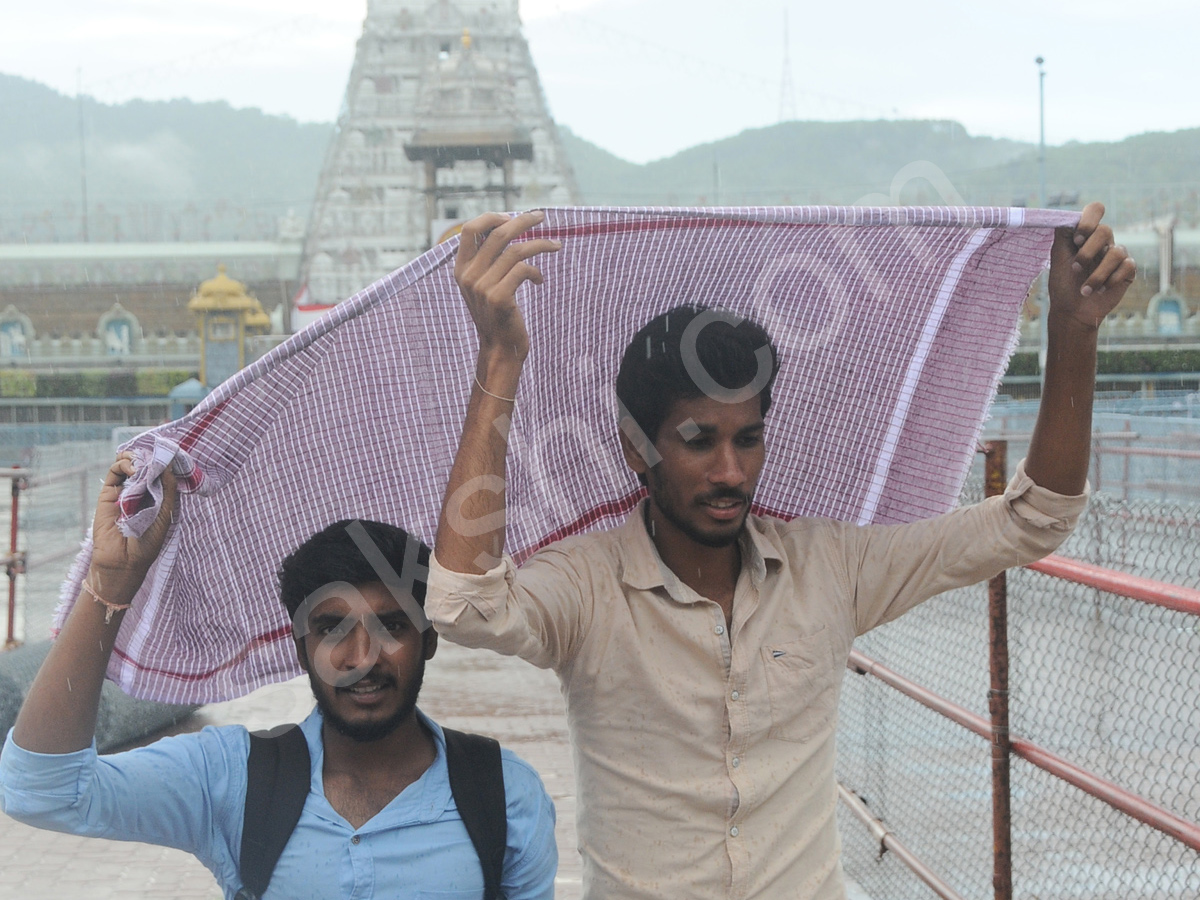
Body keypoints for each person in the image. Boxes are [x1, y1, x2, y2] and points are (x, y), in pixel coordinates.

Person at [426, 205, 1136, 900]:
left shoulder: (829, 568)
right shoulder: (587, 586)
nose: (731, 471)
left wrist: (1074, 328)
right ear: (635, 448)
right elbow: (463, 602)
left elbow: (1035, 518)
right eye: (699, 440)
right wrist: (501, 355)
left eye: (748, 437)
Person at [0, 456, 558, 900]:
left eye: (390, 626)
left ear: (429, 639)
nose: (362, 656)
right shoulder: (233, 779)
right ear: (300, 649)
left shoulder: (505, 797)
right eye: (332, 629)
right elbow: (41, 790)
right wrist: (112, 580)